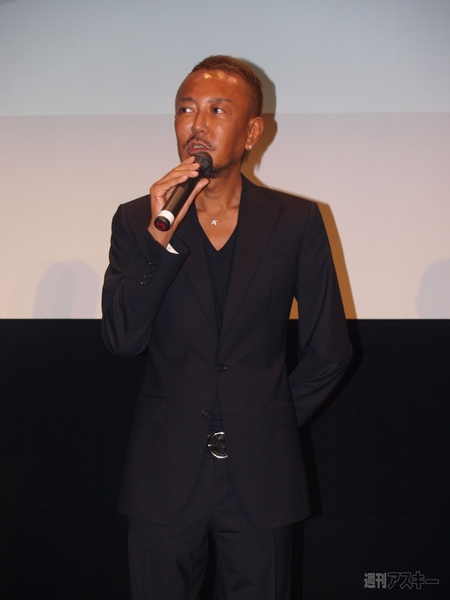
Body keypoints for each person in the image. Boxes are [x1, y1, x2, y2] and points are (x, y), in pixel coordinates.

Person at [102, 55, 352, 600]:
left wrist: (265, 419)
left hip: (260, 476)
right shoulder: (136, 220)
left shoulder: (296, 222)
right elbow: (122, 338)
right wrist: (158, 239)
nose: (196, 124)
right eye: (185, 109)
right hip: (164, 474)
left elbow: (330, 350)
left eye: (217, 110)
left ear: (252, 132)